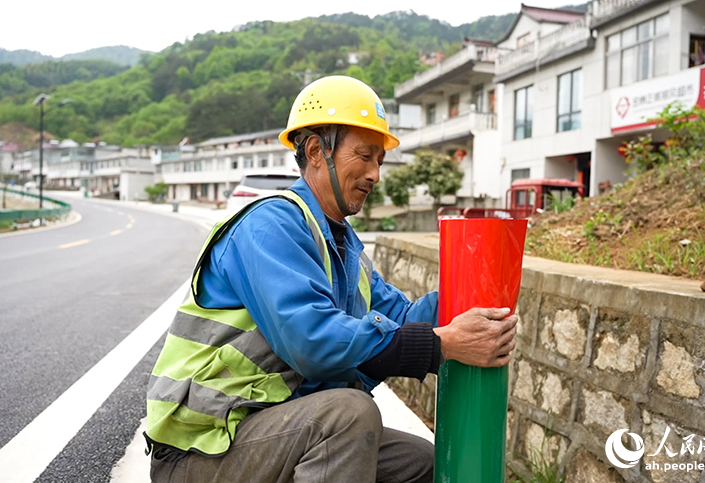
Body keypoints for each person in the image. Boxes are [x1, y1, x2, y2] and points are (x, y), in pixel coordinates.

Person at [145, 75, 518, 483]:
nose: (375, 174)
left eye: (380, 160)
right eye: (364, 156)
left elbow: (409, 318)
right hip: (202, 447)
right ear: (315, 151)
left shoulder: (346, 250)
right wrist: (441, 344)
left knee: (421, 462)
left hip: (269, 428)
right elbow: (313, 341)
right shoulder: (270, 226)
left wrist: (473, 288)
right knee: (347, 415)